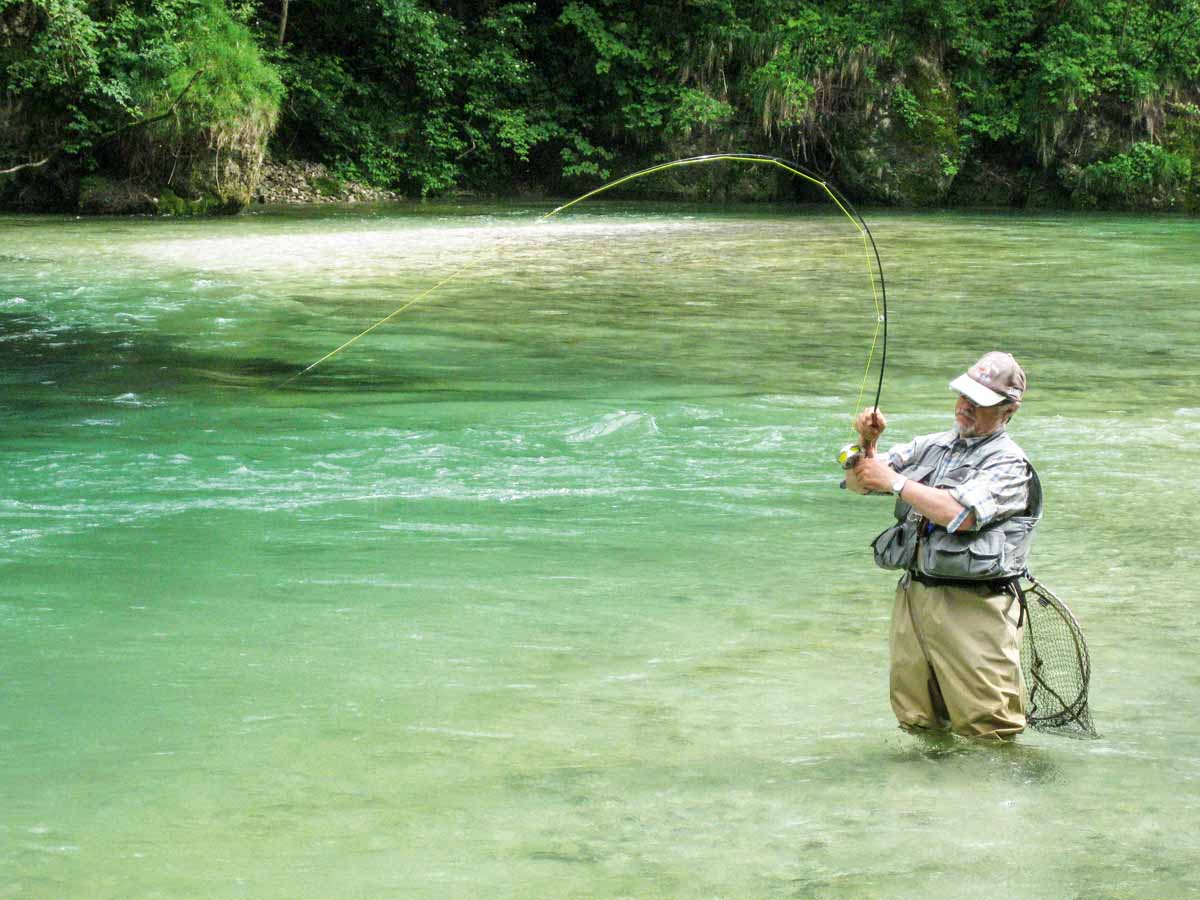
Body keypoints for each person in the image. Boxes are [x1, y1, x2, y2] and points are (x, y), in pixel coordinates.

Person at [844, 351, 1041, 739]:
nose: (965, 407)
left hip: (976, 608)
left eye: (979, 402)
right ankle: (927, 798)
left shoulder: (1010, 464)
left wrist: (896, 483)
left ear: (1008, 409)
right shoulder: (931, 447)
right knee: (918, 720)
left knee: (989, 729)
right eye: (964, 396)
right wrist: (866, 443)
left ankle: (996, 797)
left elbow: (961, 514)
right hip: (915, 599)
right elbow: (860, 482)